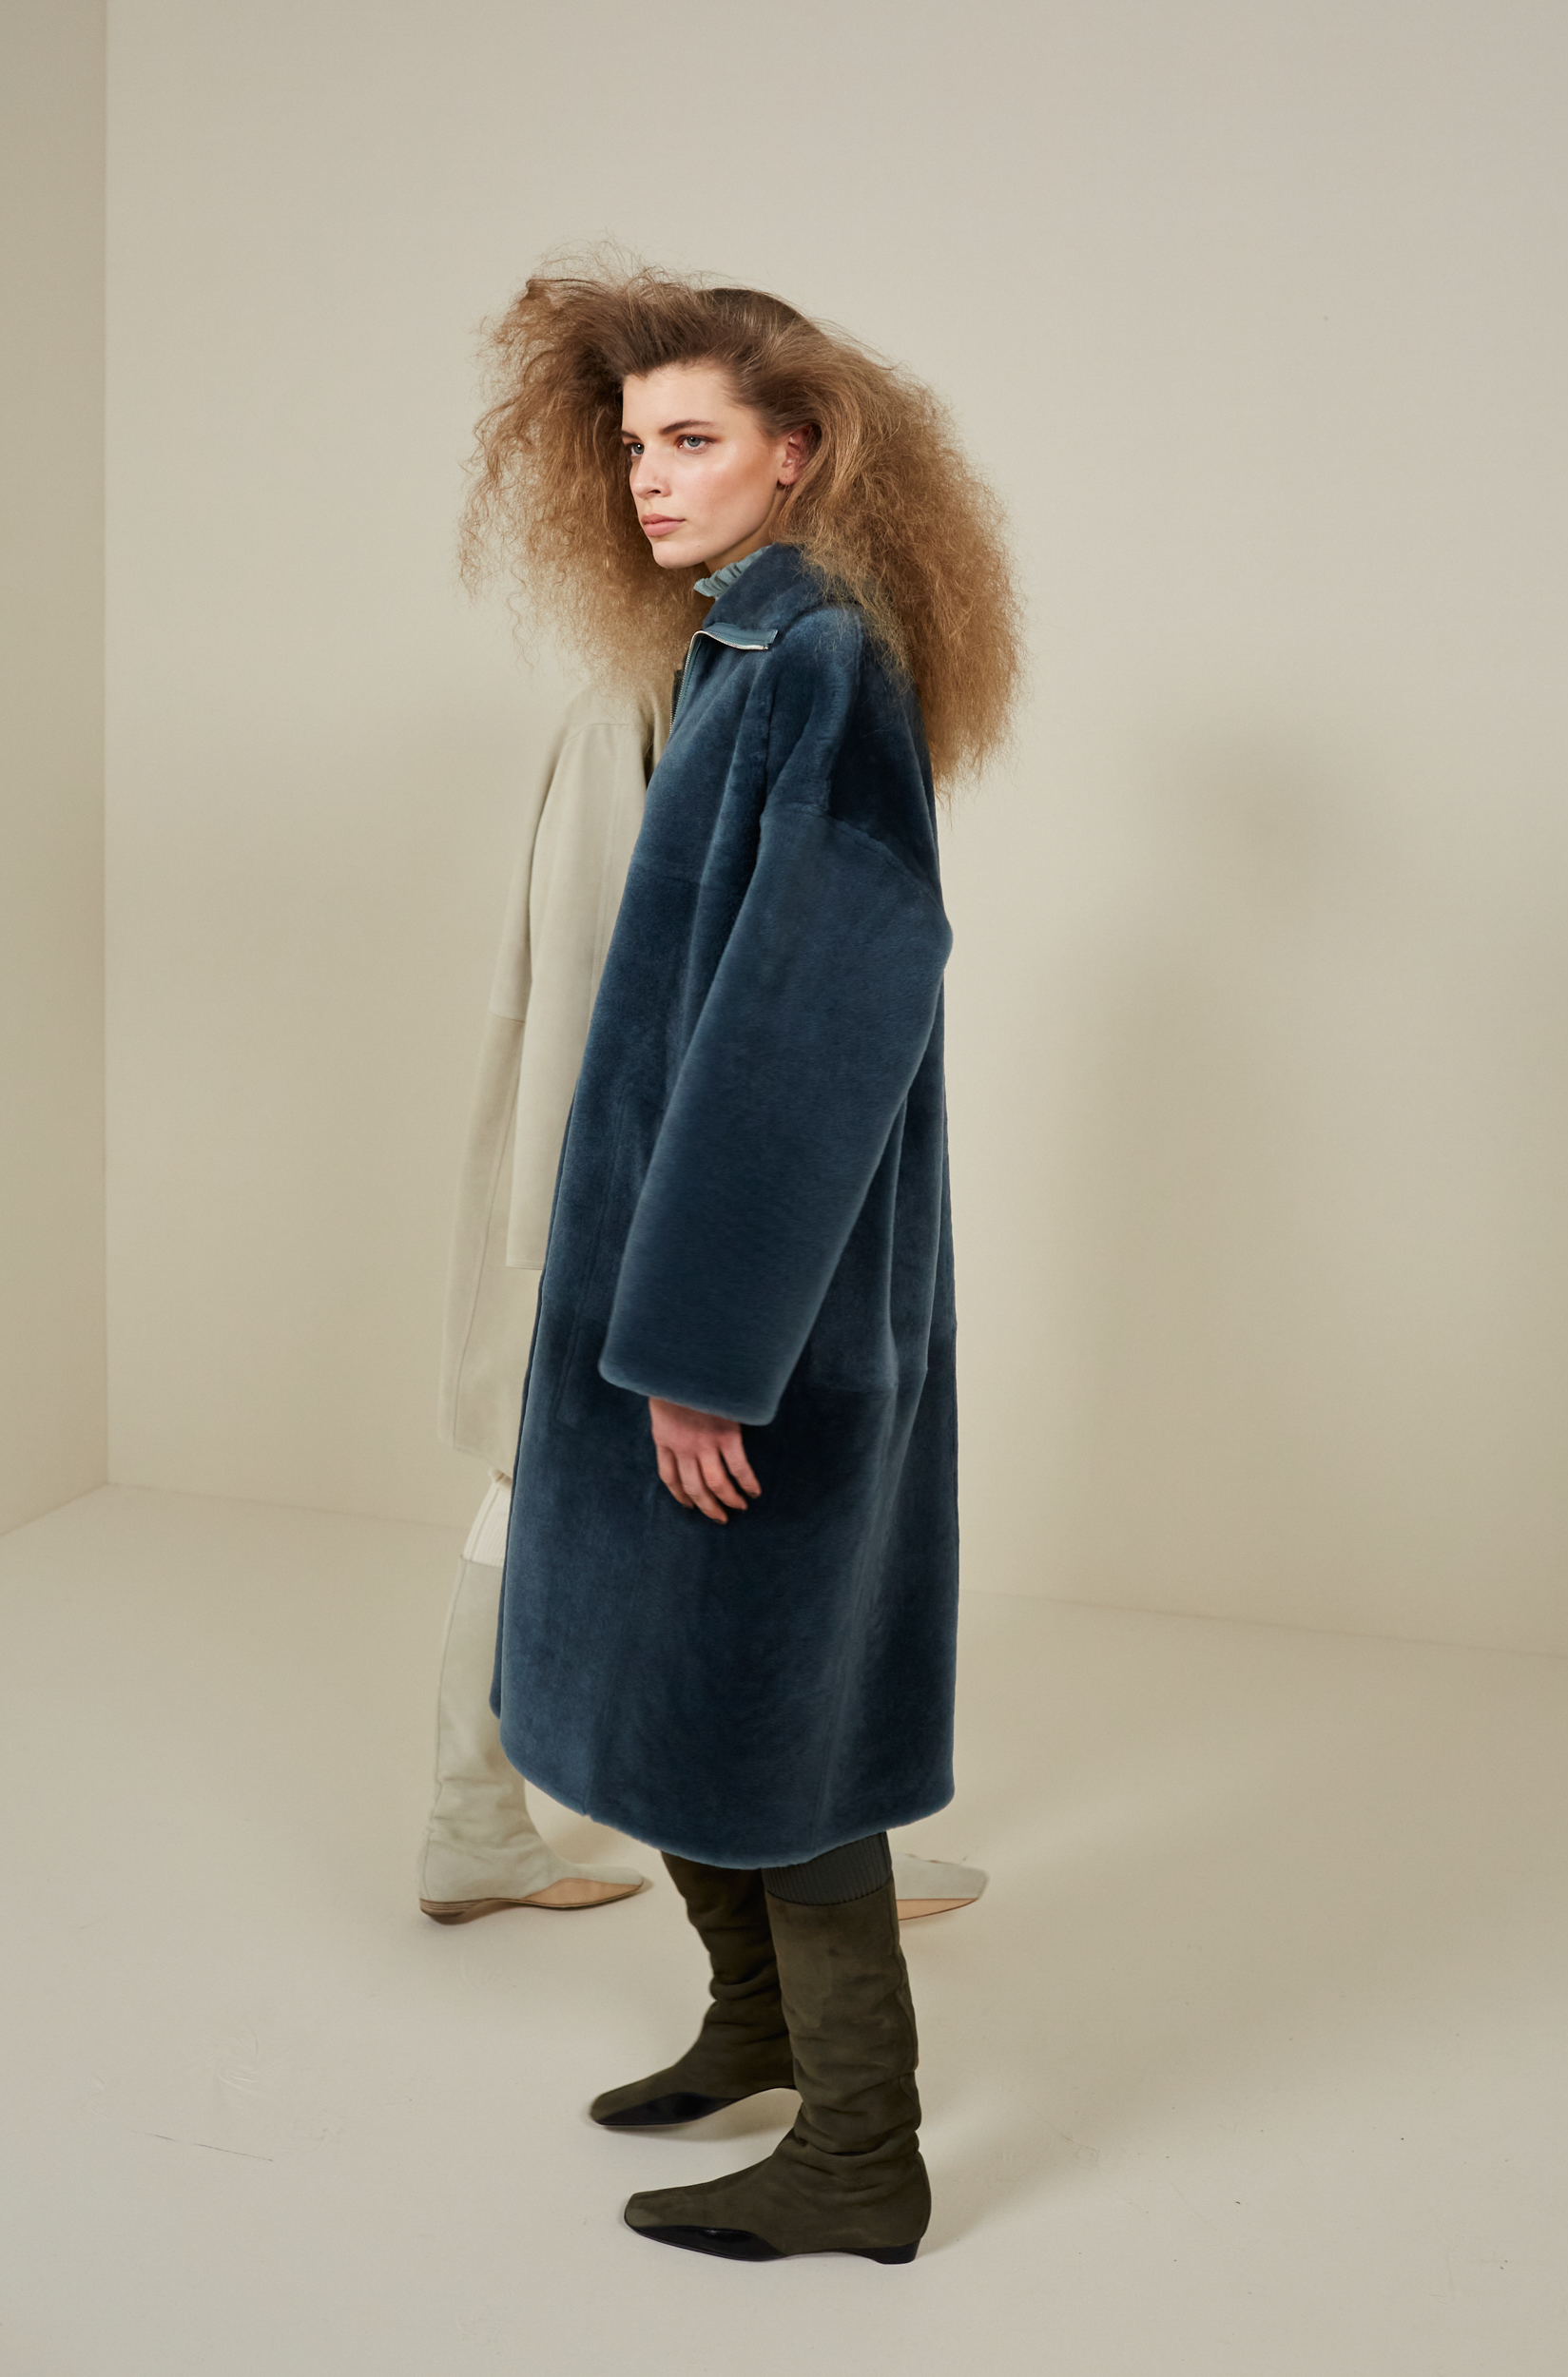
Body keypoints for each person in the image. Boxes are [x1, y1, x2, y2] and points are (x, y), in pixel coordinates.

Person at [461, 261, 1019, 2264]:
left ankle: (863, 2149)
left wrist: (709, 1346)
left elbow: (819, 1014)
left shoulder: (822, 663)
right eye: (635, 443)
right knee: (674, 1675)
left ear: (801, 452)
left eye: (693, 439)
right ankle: (757, 2023)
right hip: (663, 1282)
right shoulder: (739, 648)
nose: (649, 477)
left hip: (758, 1313)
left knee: (785, 1715)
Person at [421, 689, 988, 1923]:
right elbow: (585, 984)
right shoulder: (622, 706)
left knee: (730, 1492)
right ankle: (480, 1822)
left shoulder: (732, 680)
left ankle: (806, 1845)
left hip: (672, 1192)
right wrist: (594, 1243)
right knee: (544, 1481)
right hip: (615, 1200)